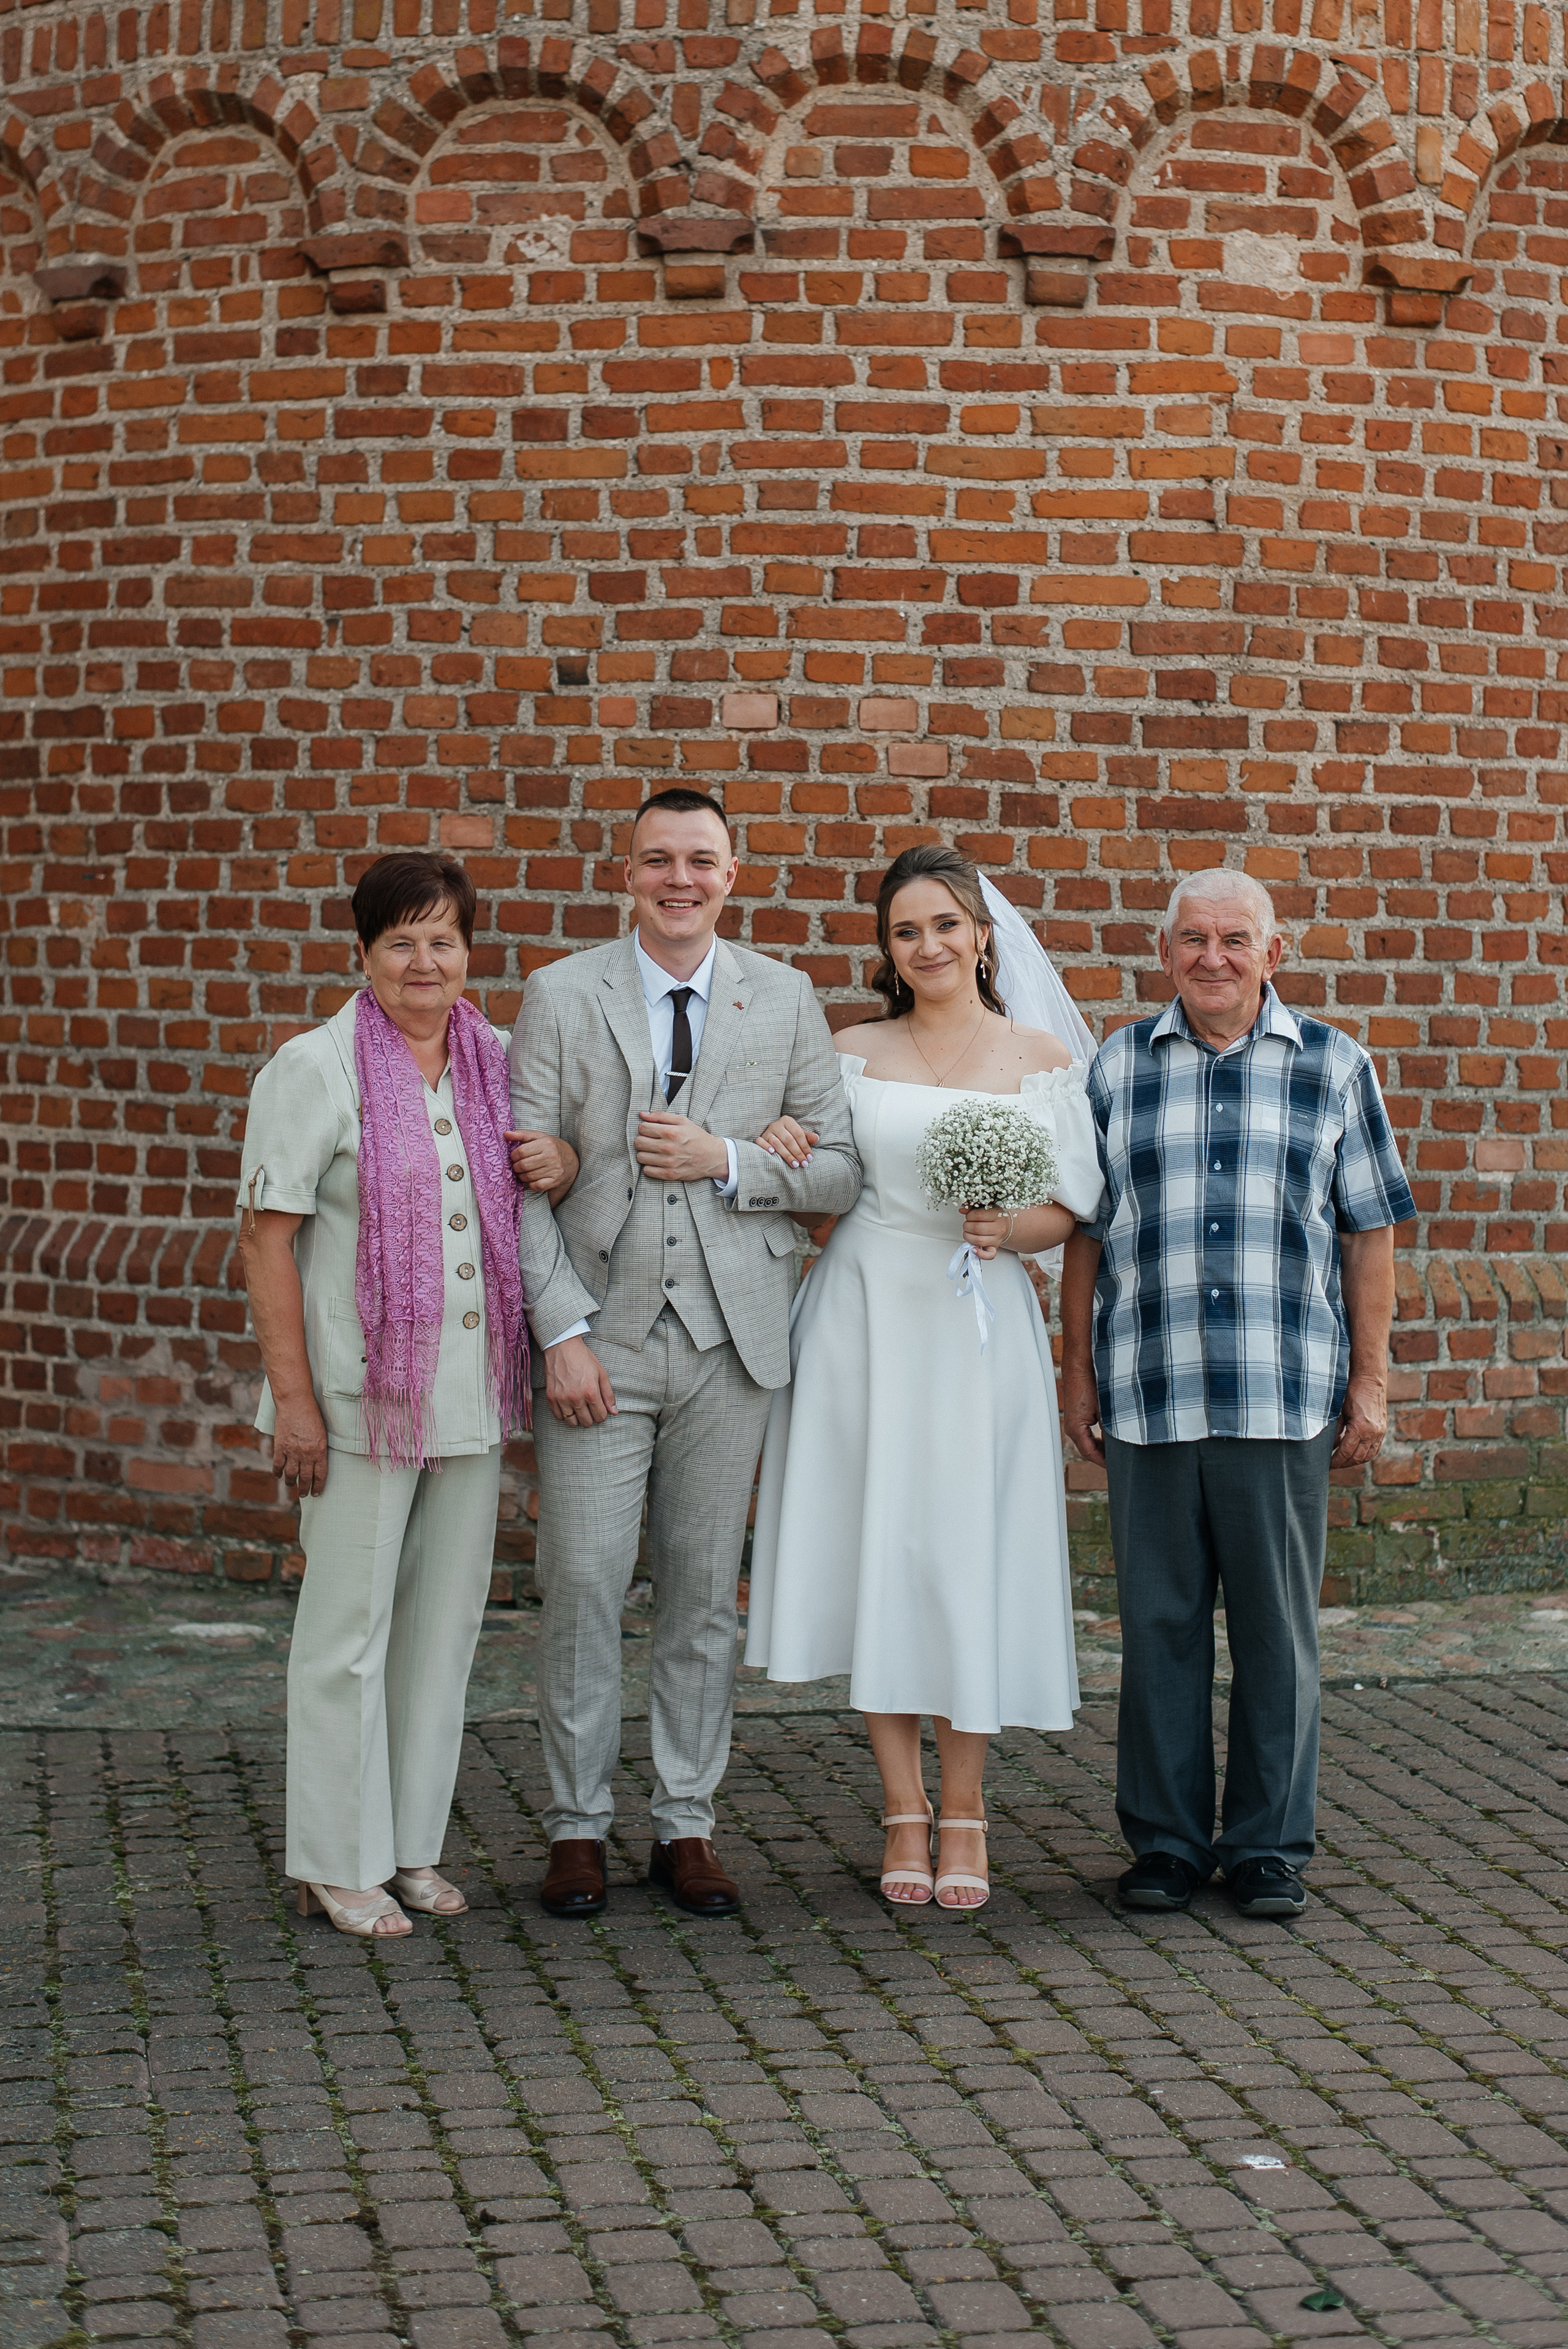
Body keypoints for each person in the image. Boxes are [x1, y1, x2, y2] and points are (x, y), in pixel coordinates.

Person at [508, 786, 862, 1922]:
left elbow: (840, 1171)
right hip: (600, 1339)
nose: (680, 879)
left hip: (731, 1339)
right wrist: (559, 1335)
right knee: (584, 1584)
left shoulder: (786, 998)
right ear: (629, 872)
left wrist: (728, 1158)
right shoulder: (562, 994)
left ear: (732, 871)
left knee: (706, 1592)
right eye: (658, 859)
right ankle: (575, 1827)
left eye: (700, 860)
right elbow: (517, 1176)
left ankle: (686, 1823)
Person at [744, 845, 1104, 1912]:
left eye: (946, 925)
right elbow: (810, 1185)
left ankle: (970, 1809)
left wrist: (1009, 1223)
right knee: (882, 1551)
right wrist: (779, 1144)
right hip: (860, 1316)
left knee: (965, 1555)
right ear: (888, 950)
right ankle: (903, 1808)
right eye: (907, 931)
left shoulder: (1039, 1056)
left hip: (975, 1325)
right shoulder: (846, 1049)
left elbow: (1072, 1208)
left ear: (983, 936)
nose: (929, 946)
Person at [1060, 869, 1415, 1921]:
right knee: (1160, 1624)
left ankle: (1267, 1846)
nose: (1211, 957)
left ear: (1275, 950)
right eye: (1192, 939)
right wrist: (1075, 1369)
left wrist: (1374, 1381)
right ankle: (1165, 1843)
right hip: (1150, 1389)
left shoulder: (1335, 1066)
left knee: (1275, 1631)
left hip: (1281, 1393)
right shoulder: (1118, 1065)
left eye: (1234, 939)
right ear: (1165, 949)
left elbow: (1372, 1236)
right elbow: (1084, 1233)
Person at [238, 851, 548, 1939]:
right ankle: (337, 1856)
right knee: (348, 1634)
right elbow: (267, 1241)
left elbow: (539, 1174)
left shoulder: (495, 1060)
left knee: (441, 1632)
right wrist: (297, 1404)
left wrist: (553, 1155)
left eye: (444, 940)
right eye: (401, 941)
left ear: (471, 951)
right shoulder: (313, 1069)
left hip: (467, 1398)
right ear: (363, 953)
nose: (426, 961)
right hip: (357, 1399)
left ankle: (411, 1845)